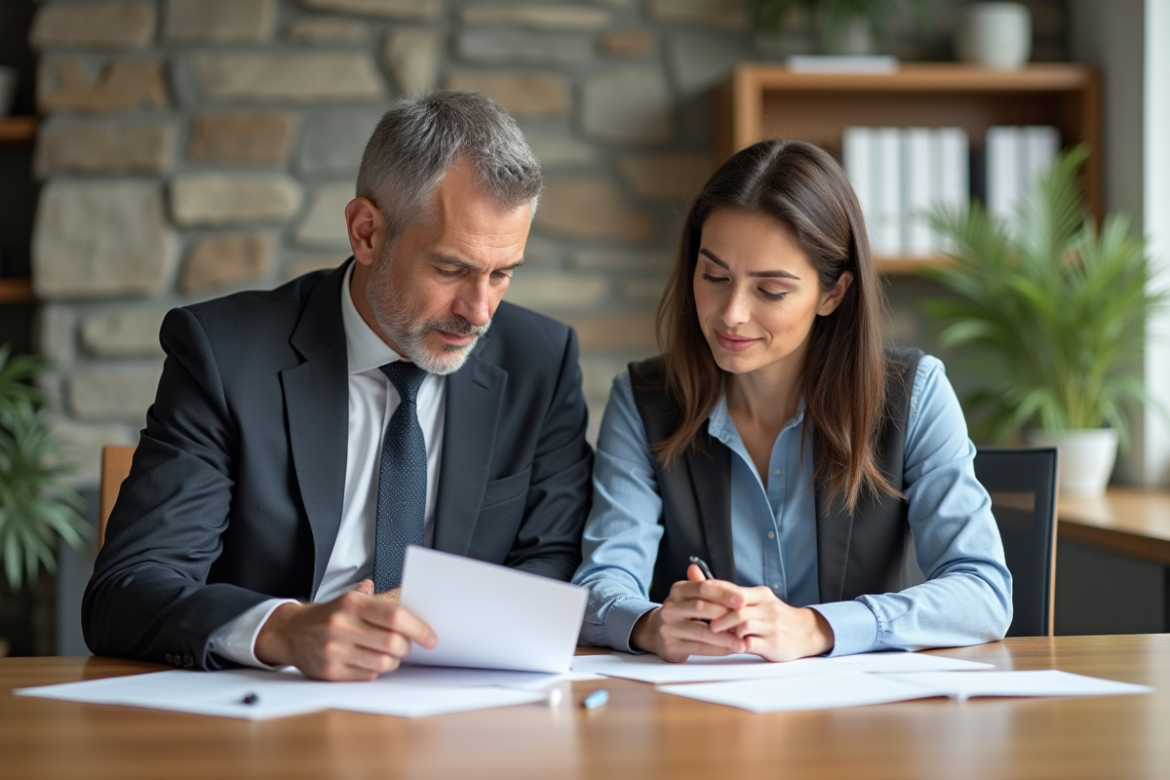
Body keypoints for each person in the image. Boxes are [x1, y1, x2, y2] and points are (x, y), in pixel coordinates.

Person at [83, 91, 593, 680]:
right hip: (266, 715)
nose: (479, 312)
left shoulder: (541, 362)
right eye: (451, 269)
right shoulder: (223, 354)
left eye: (501, 274)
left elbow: (552, 561)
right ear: (366, 232)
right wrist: (284, 629)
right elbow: (127, 589)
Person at [572, 139, 1012, 663]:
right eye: (714, 276)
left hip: (864, 723)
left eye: (771, 291)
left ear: (833, 293)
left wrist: (820, 628)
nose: (731, 313)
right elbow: (600, 585)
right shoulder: (643, 402)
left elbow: (984, 592)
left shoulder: (914, 394)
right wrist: (649, 624)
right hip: (703, 725)